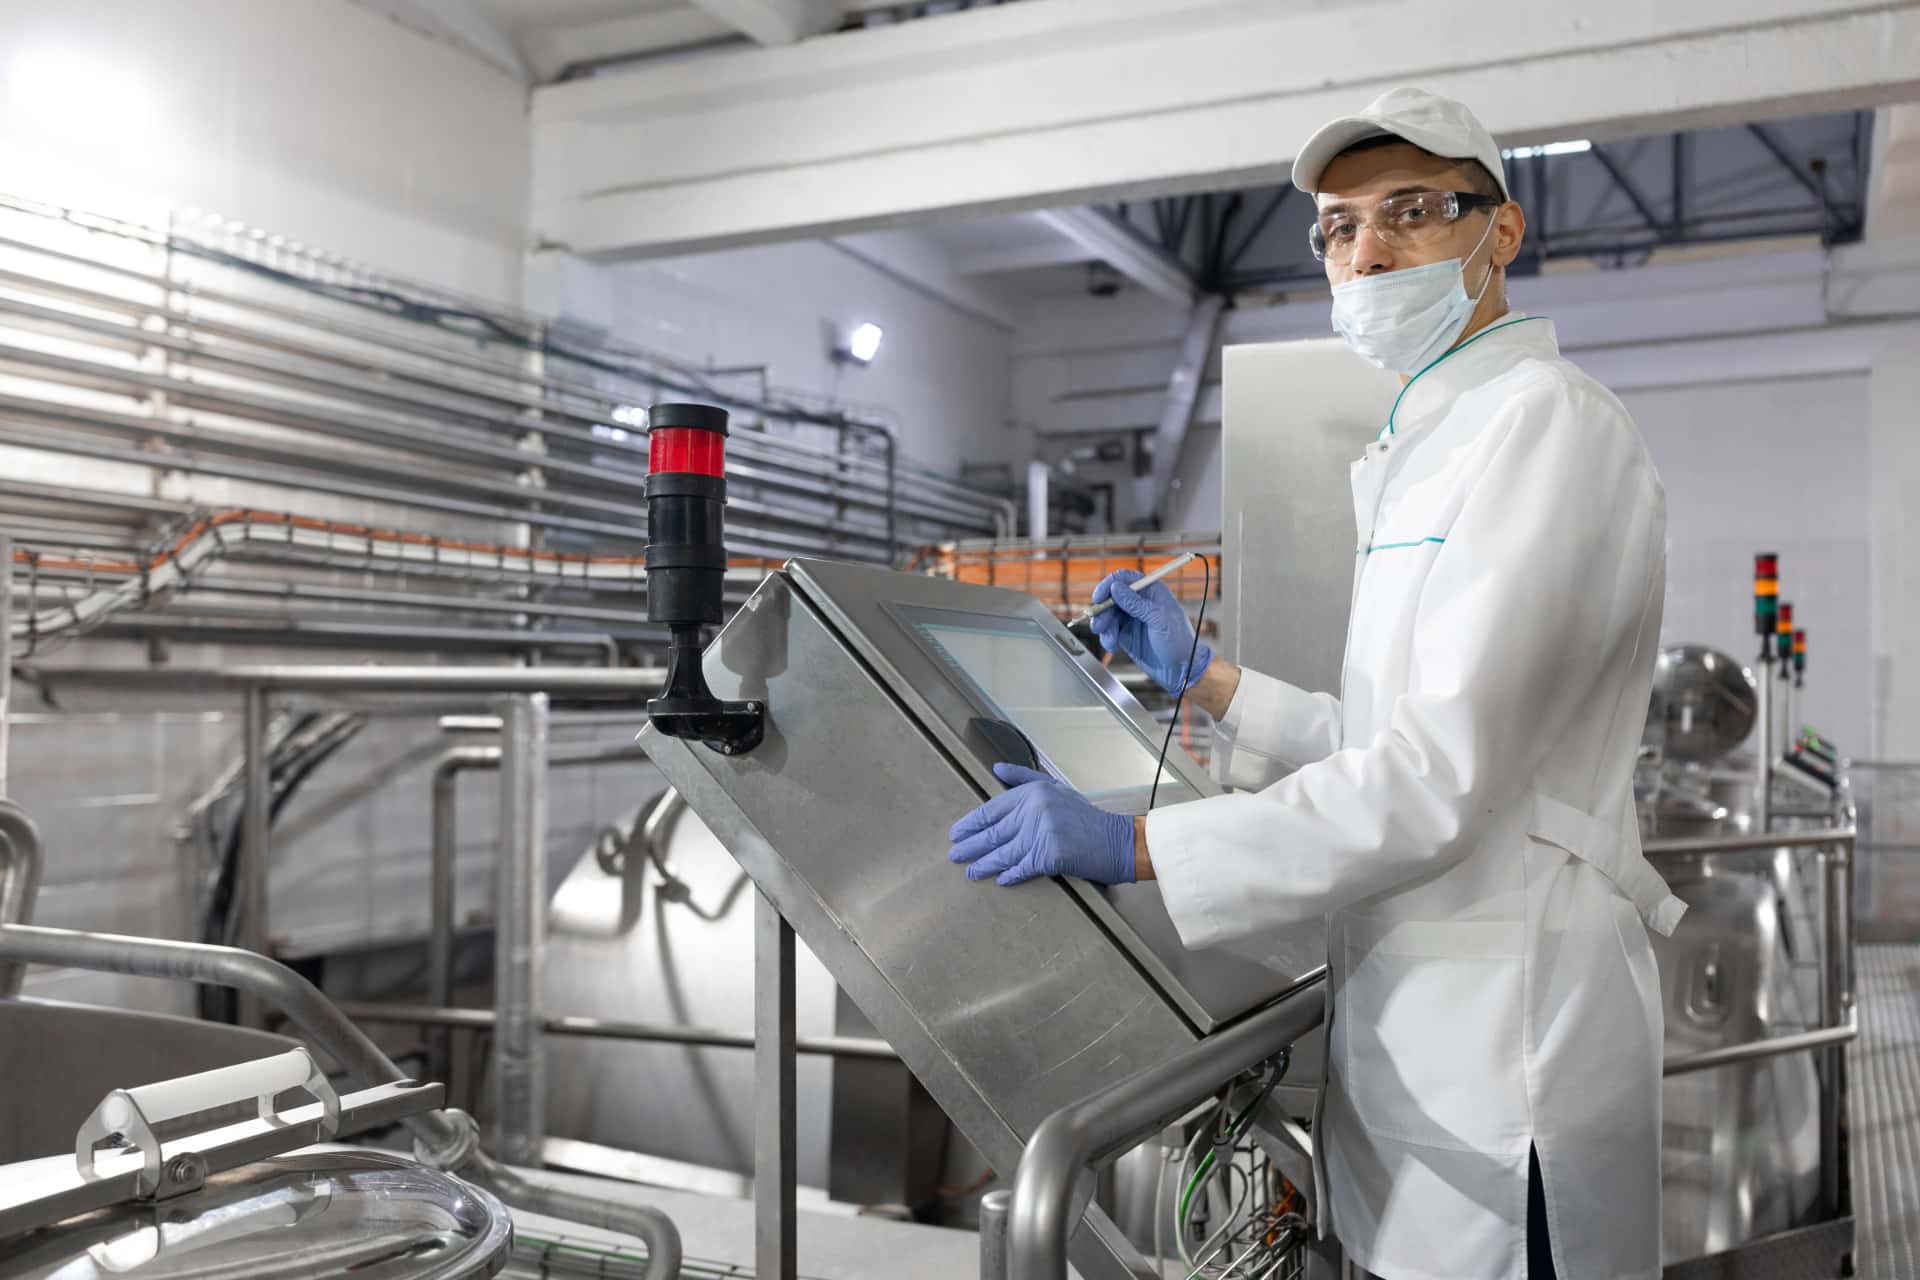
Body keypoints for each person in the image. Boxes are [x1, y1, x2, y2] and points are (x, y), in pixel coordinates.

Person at [947, 87, 1683, 1280]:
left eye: (1411, 210)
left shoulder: (1547, 426)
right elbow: (1397, 736)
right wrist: (1210, 678)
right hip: (1419, 1051)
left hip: (1511, 1075)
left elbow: (1436, 778)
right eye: (1340, 226)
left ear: (1501, 231)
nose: (1368, 251)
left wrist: (1134, 842)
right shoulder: (1428, 443)